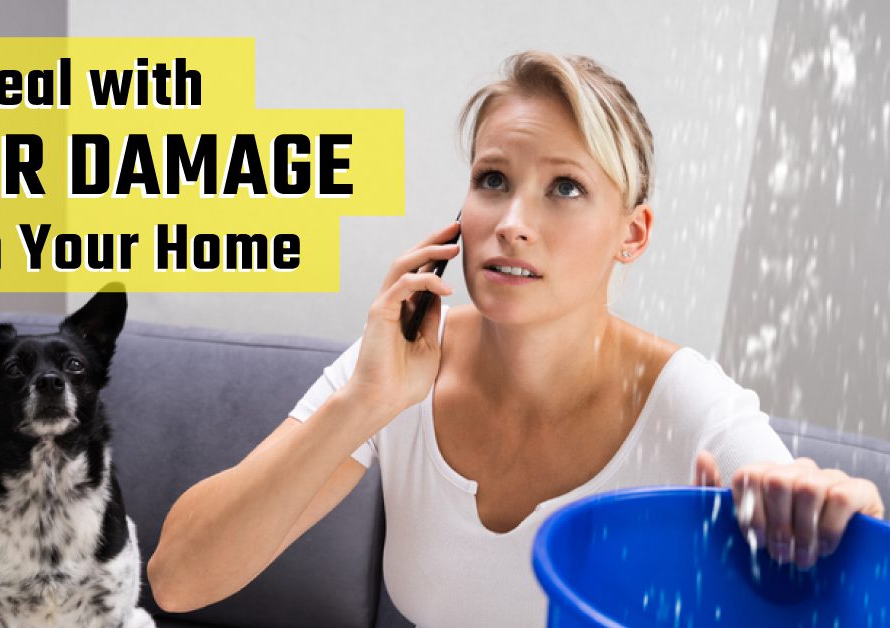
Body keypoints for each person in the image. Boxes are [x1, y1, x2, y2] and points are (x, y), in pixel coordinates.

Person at [145, 50, 885, 626]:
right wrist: (364, 403)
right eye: (493, 180)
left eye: (565, 187)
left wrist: (833, 514)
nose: (510, 222)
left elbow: (820, 526)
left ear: (632, 234)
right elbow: (178, 579)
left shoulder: (684, 401)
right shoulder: (402, 364)